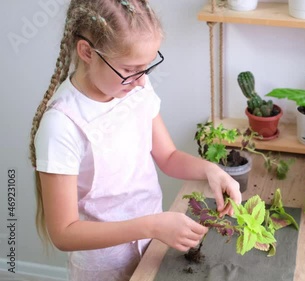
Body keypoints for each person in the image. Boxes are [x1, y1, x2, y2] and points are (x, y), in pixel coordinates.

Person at [28, 1, 242, 280]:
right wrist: (152, 226)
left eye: (146, 67)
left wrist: (211, 171)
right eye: (130, 69)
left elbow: (167, 156)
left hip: (153, 249)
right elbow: (64, 232)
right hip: (103, 267)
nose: (141, 81)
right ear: (87, 52)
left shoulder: (134, 87)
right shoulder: (61, 125)